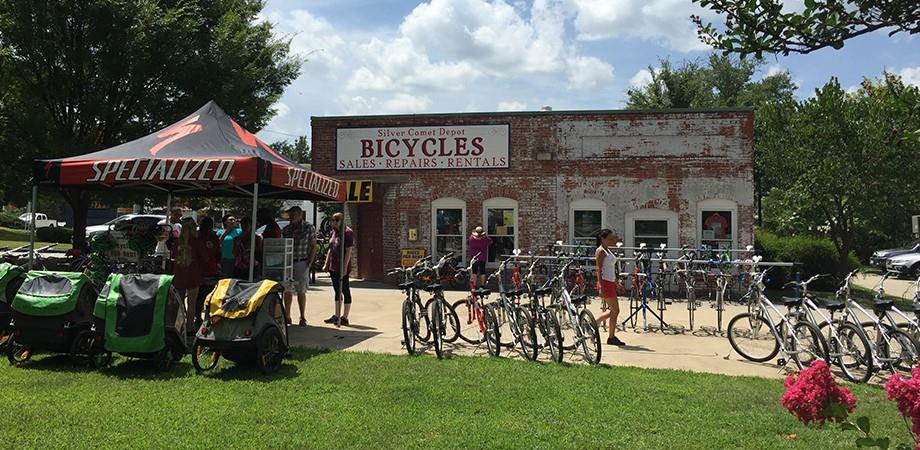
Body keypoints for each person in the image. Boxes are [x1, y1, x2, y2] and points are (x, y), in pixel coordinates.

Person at [282, 206, 316, 326]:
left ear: (300, 215)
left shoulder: (308, 227)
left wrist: (309, 263)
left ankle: (302, 316)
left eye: (293, 214)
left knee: (301, 290)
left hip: (301, 261)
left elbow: (313, 246)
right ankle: (287, 316)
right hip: (288, 263)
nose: (291, 217)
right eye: (290, 215)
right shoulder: (286, 229)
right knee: (287, 290)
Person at [173, 217, 203, 336]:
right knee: (192, 303)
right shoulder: (196, 241)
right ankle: (190, 327)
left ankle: (179, 326)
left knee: (179, 303)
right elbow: (204, 257)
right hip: (193, 274)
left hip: (179, 273)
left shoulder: (177, 242)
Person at [595, 228, 625, 346]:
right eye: (609, 238)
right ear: (602, 239)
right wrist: (601, 287)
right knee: (615, 310)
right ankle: (611, 336)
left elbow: (611, 269)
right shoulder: (601, 251)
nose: (612, 240)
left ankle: (596, 322)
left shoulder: (608, 251)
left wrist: (616, 283)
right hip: (605, 283)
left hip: (611, 282)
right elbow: (599, 269)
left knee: (613, 310)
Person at [323, 212, 353, 326]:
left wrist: (344, 268)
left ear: (342, 221)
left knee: (345, 290)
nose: (334, 222)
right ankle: (336, 315)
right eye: (333, 220)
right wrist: (326, 263)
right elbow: (330, 248)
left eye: (337, 220)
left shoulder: (348, 233)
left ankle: (344, 317)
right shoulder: (334, 232)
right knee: (337, 290)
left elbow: (349, 252)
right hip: (333, 266)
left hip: (342, 267)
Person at [195, 216, 221, 327]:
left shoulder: (214, 236)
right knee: (199, 297)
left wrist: (218, 266)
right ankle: (198, 318)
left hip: (211, 271)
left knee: (211, 297)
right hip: (199, 271)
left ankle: (209, 317)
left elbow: (218, 253)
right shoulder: (197, 236)